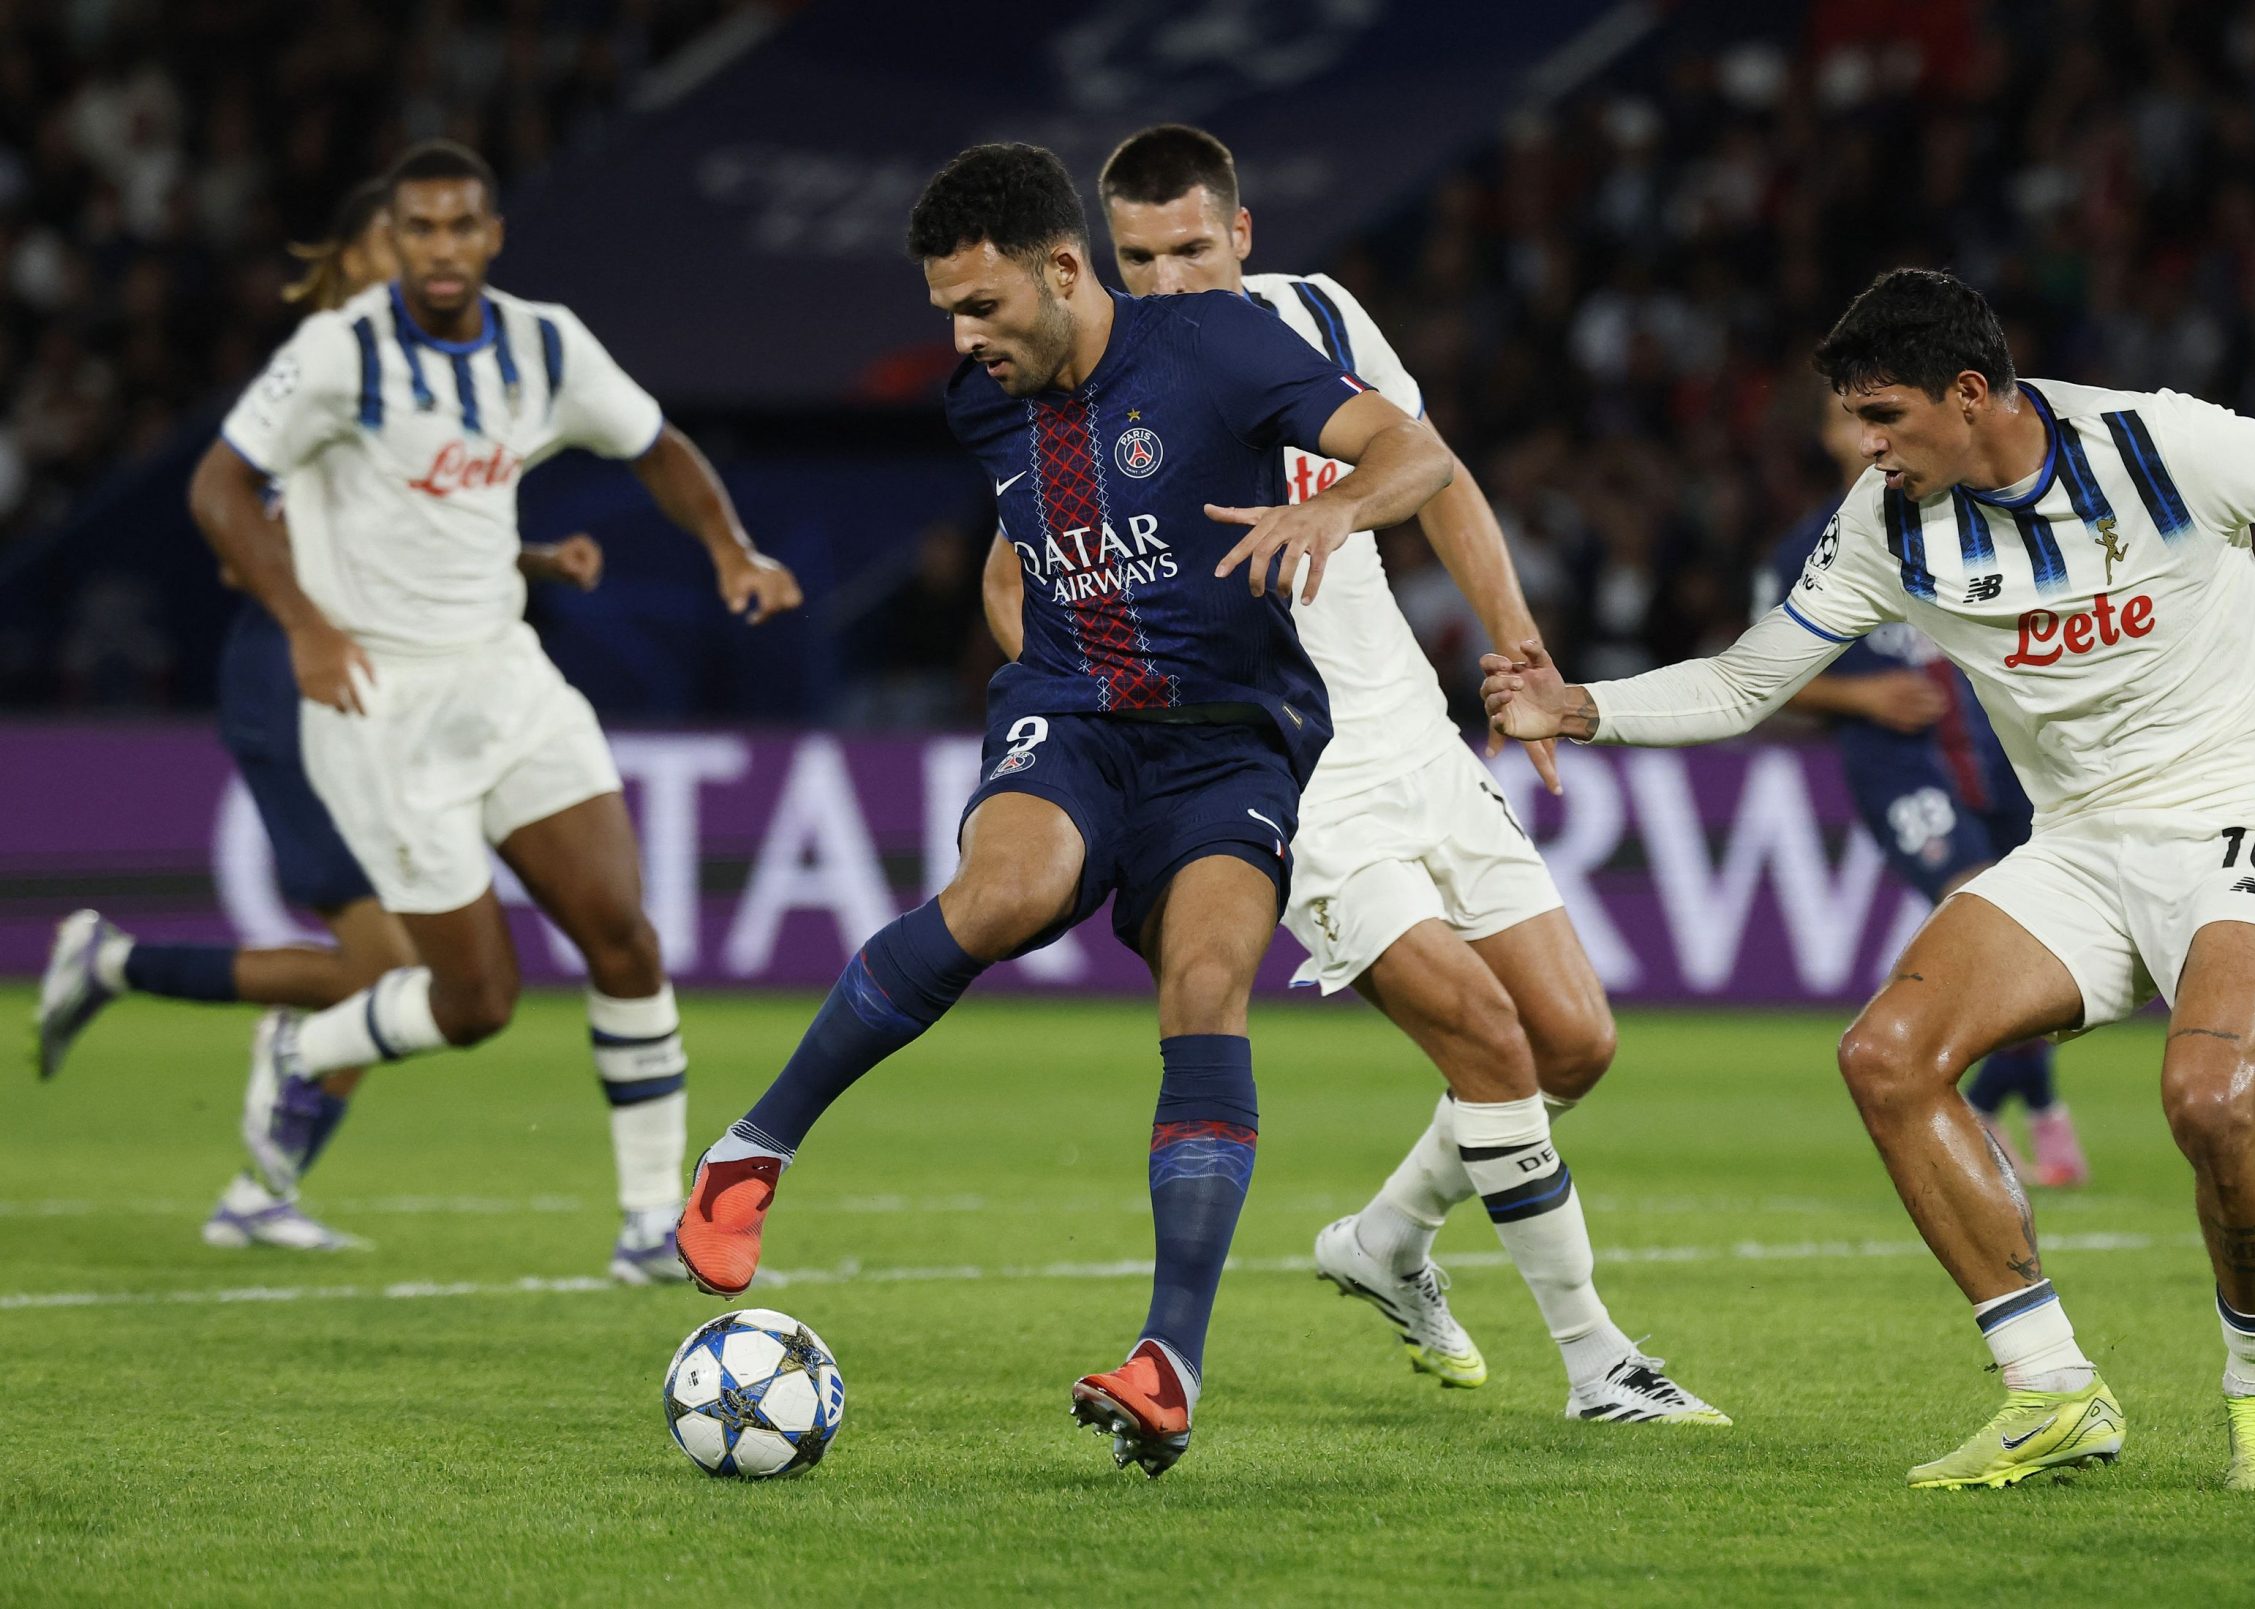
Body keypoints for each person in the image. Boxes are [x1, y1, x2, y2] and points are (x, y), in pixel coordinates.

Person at [1481, 268, 2255, 1491]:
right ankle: (2050, 1388)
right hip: (2078, 846)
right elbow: (1744, 681)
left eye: (1883, 416)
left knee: (2208, 1102)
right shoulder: (1885, 523)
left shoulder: (2164, 447)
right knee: (1885, 1056)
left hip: (2235, 811)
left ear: (1968, 392)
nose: (1864, 445)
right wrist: (1579, 706)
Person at [677, 142, 1452, 1478]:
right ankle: (750, 1152)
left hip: (1232, 745)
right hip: (1078, 724)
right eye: (946, 313)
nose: (963, 340)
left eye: (982, 307)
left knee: (1205, 986)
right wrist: (1054, 671)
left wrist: (1336, 514)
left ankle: (1168, 1363)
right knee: (1006, 894)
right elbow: (1018, 559)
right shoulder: (986, 404)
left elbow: (1414, 450)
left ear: (1062, 268)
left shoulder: (1213, 344)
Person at [1012, 122, 1720, 1425]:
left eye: (1189, 250)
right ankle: (1600, 1364)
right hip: (1291, 770)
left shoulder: (1321, 316)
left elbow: (1432, 470)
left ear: (1240, 233)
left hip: (1411, 731)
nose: (1164, 282)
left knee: (1573, 1043)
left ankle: (1385, 1243)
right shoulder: (1089, 384)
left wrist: (1518, 651)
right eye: (1137, 258)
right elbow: (1015, 581)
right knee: (1488, 1037)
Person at [185, 139, 802, 1284]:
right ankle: (311, 1047)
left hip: (507, 681)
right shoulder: (337, 354)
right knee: (476, 1004)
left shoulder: (544, 342)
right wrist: (306, 625)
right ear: (396, 239)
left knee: (623, 936)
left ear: (492, 235)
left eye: (460, 226)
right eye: (418, 228)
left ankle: (648, 1227)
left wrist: (729, 547)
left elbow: (656, 445)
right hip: (382, 705)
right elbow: (218, 486)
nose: (441, 248)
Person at [34, 177, 604, 1252]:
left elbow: (422, 535)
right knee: (394, 969)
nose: (423, 260)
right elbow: (236, 535)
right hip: (298, 676)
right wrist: (311, 610)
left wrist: (530, 558)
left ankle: (127, 986)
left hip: (379, 680)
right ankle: (238, 1144)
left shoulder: (423, 378)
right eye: (395, 241)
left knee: (389, 971)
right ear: (347, 261)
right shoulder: (321, 377)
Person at [1756, 397, 2087, 1187]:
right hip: (1899, 769)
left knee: (2034, 940)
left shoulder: (1965, 523)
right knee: (1985, 916)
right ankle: (1980, 1107)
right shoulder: (1805, 549)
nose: (1865, 433)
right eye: (1845, 418)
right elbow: (1763, 675)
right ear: (1828, 436)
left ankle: (2027, 1111)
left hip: (1997, 757)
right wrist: (1861, 696)